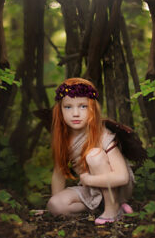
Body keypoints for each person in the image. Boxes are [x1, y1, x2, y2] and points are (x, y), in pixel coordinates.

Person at [46, 77, 134, 224]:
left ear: (92, 109)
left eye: (83, 106)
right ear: (60, 110)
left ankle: (113, 209)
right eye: (68, 107)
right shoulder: (63, 138)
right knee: (55, 205)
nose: (75, 113)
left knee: (95, 156)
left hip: (117, 187)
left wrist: (89, 179)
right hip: (91, 189)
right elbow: (59, 172)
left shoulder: (103, 135)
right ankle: (101, 208)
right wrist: (54, 201)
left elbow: (122, 177)